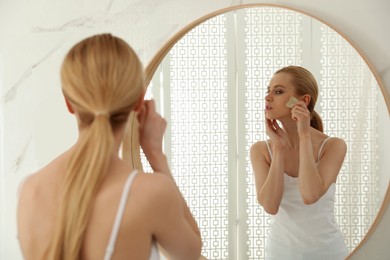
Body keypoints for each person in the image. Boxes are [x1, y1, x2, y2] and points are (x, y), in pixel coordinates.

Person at [17, 34, 202, 260]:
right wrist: (156, 156)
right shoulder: (149, 193)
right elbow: (190, 254)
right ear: (138, 101)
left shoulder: (30, 191)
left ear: (69, 103)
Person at [250, 66, 349, 259]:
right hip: (279, 252)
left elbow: (310, 195)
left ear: (303, 101)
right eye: (268, 90)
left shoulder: (333, 146)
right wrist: (279, 148)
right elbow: (270, 206)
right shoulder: (261, 150)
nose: (268, 97)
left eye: (278, 91)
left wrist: (304, 134)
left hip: (328, 252)